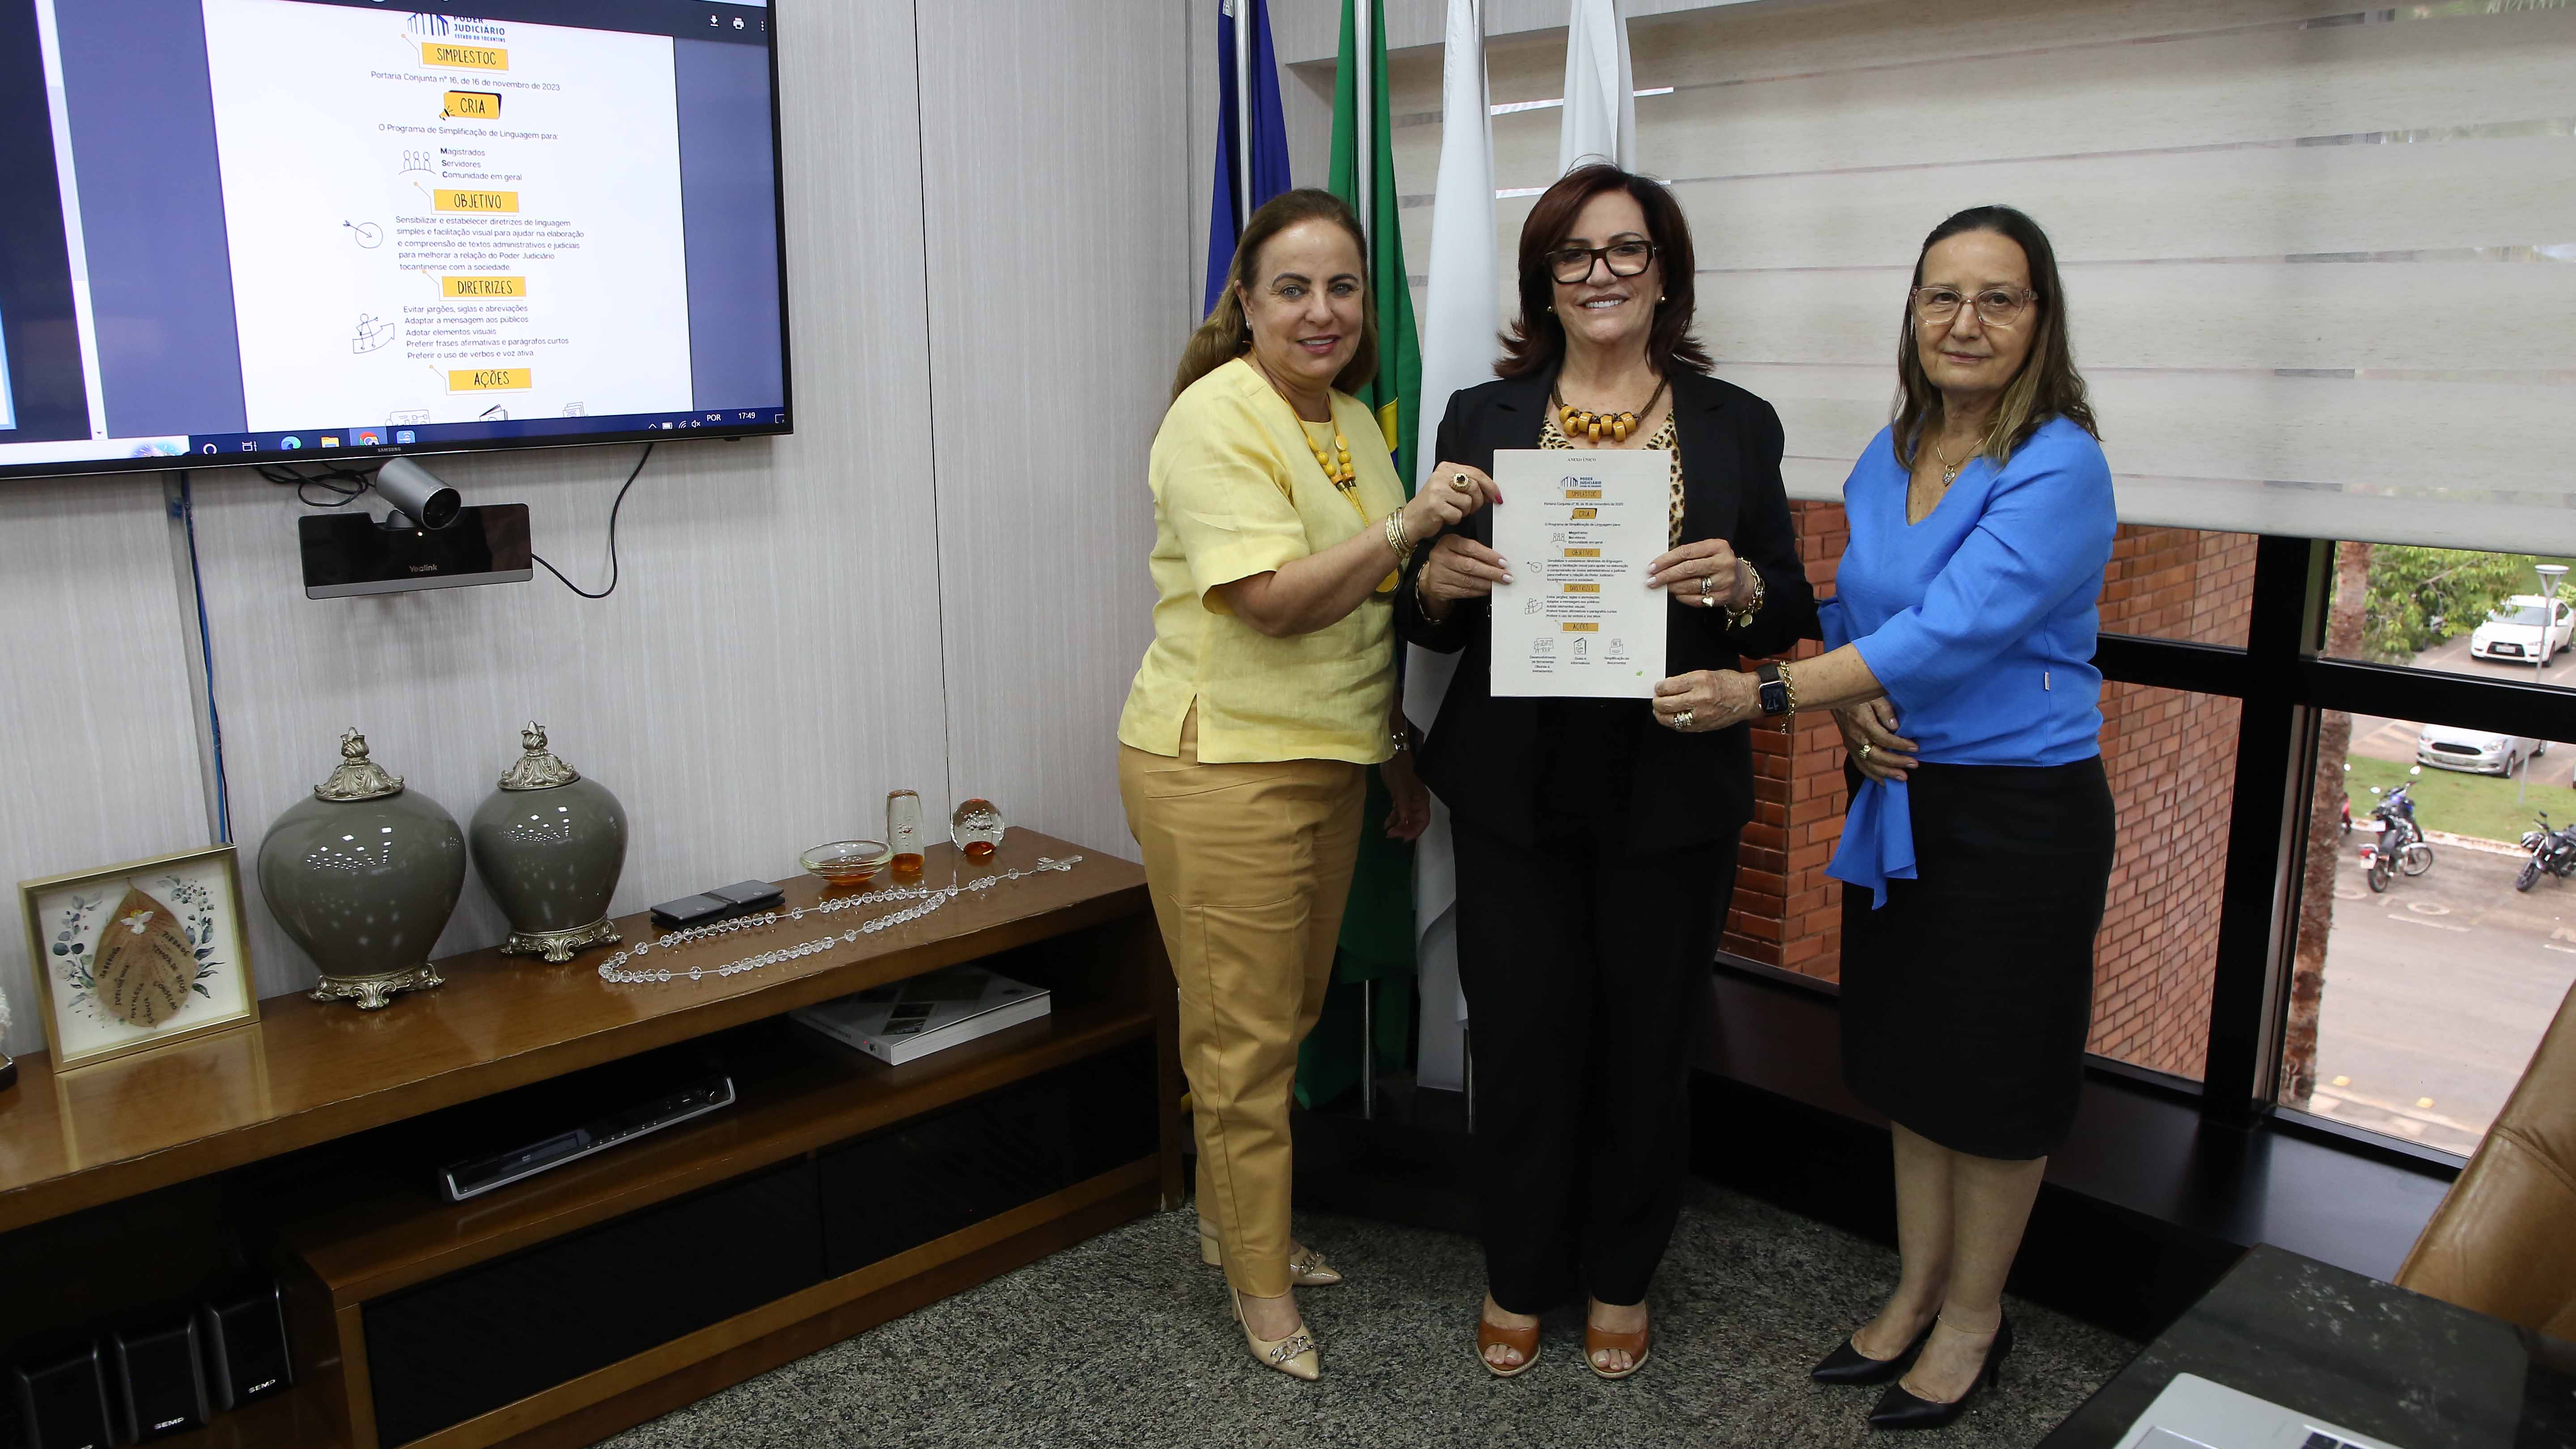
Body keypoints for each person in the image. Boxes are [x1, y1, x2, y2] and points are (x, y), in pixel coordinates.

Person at [1642, 204, 2114, 1430]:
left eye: (1997, 299)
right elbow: (1860, 607)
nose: (1965, 322)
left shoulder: (2060, 462)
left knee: (1998, 1083)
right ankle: (1915, 1292)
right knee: (1913, 1064)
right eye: (1940, 296)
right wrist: (1851, 716)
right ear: (1911, 314)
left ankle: (1975, 1319)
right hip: (1899, 789)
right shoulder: (1890, 449)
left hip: (2019, 812)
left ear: (2041, 320)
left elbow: (1960, 625)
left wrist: (1776, 694)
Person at [1395, 164, 1818, 1381]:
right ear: (1545, 278)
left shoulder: (1735, 422)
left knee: (1647, 1044)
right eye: (1576, 256)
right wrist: (1432, 582)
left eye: (1626, 252)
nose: (1602, 275)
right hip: (1516, 781)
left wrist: (1742, 587)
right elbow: (1429, 621)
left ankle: (1622, 1275)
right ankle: (1520, 1271)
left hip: (1673, 781)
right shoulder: (1482, 415)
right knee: (1523, 1040)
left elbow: (1786, 602)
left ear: (1667, 272)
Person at [1117, 188, 1495, 1382]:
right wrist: (1412, 529)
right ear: (1247, 302)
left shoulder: (1349, 420)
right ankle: (1260, 1286)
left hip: (1323, 760)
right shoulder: (1212, 417)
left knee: (1277, 1021)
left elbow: (1357, 622)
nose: (1321, 310)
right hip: (1222, 761)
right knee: (1240, 1044)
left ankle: (1240, 1229)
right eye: (1293, 287)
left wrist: (1393, 750)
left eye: (1342, 287)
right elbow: (1275, 602)